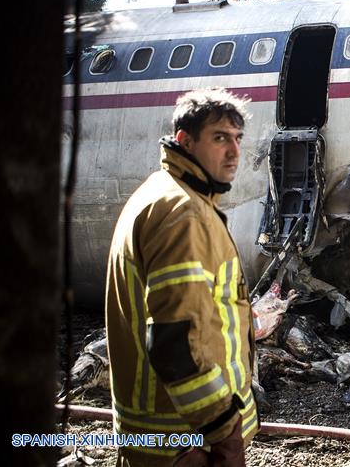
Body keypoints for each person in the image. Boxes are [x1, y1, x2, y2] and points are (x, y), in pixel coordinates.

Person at [105, 88, 257, 466]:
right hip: (187, 440)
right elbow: (175, 344)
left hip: (174, 435)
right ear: (185, 141)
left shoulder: (166, 194)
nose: (234, 151)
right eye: (219, 138)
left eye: (237, 138)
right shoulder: (183, 214)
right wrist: (224, 432)